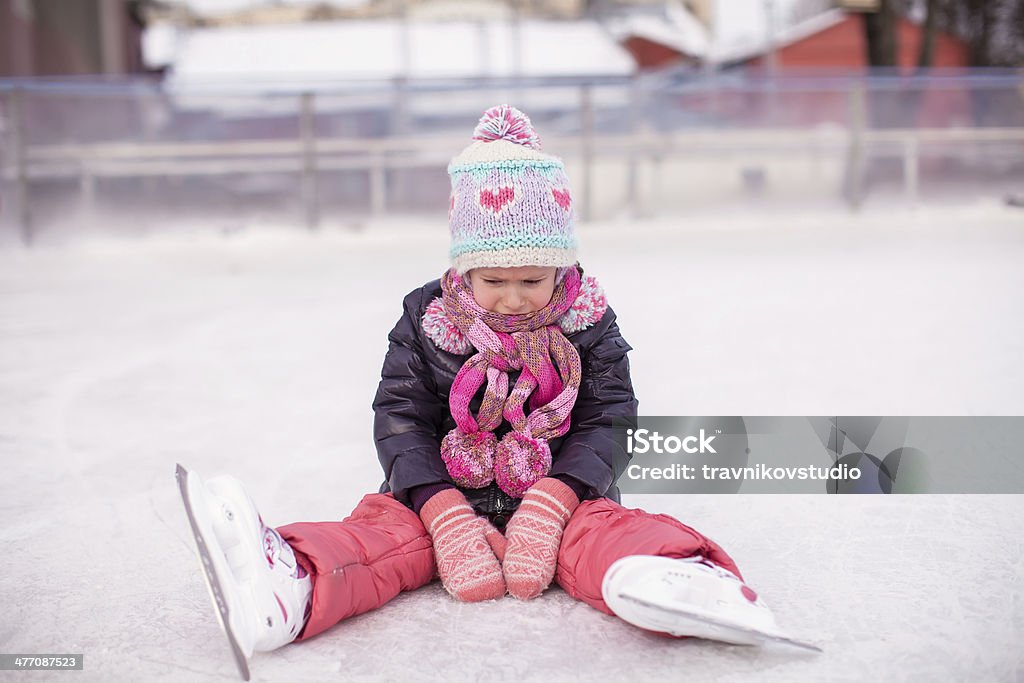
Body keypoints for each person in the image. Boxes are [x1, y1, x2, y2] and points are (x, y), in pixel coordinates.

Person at [179, 105, 791, 676]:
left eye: (534, 278)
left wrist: (558, 499)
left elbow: (611, 418)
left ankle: (679, 575)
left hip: (566, 498)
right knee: (383, 539)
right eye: (494, 279)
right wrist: (440, 509)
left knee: (603, 534)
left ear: (563, 267)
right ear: (465, 267)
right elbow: (400, 417)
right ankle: (297, 579)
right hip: (439, 498)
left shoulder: (588, 320)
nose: (515, 297)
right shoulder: (428, 319)